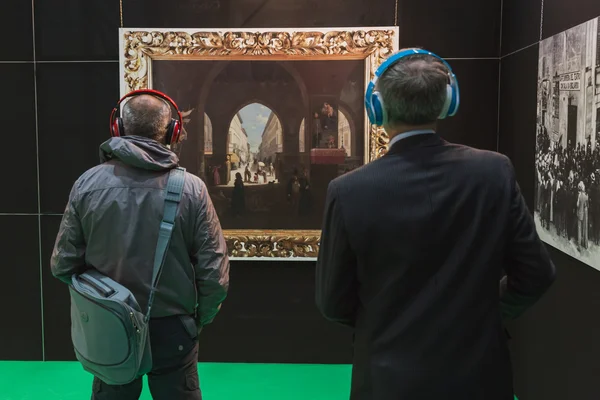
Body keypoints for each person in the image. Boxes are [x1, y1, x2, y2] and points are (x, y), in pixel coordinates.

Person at [315, 49, 556, 400]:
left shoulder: (347, 190)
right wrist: (483, 313)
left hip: (387, 381)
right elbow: (537, 274)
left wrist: (386, 322)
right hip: (478, 377)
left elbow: (331, 302)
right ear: (448, 101)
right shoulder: (493, 172)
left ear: (376, 109)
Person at [50, 92, 230, 400]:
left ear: (117, 128)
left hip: (110, 328)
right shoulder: (192, 189)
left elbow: (63, 265)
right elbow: (215, 275)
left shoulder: (87, 184)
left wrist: (100, 303)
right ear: (173, 131)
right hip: (174, 329)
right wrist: (196, 320)